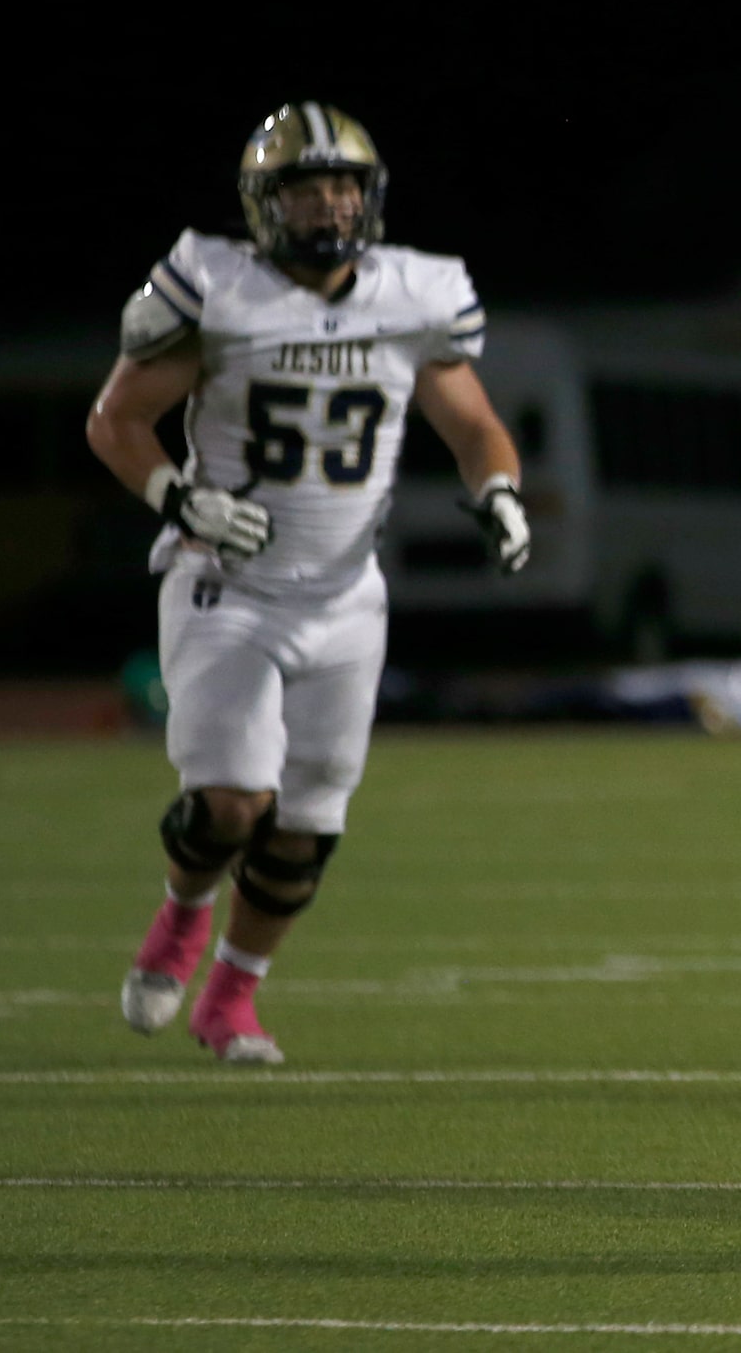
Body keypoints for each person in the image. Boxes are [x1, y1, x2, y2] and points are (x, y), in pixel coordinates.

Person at [87, 102, 532, 1063]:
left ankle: (231, 1003)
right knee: (233, 800)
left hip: (345, 595)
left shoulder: (415, 293)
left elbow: (473, 424)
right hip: (229, 582)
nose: (329, 203)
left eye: (343, 185)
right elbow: (116, 421)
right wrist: (179, 499)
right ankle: (180, 918)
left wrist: (499, 492)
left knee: (310, 819)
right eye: (306, 186)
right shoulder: (215, 288)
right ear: (264, 202)